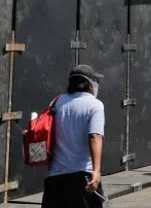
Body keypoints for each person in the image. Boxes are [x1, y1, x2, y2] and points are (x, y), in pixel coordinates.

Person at [41, 64, 106, 208]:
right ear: (90, 83)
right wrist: (96, 171)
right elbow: (95, 136)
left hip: (55, 179)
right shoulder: (95, 105)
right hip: (82, 178)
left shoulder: (57, 102)